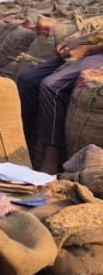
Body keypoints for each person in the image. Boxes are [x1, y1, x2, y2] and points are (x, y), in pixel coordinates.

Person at [17, 34, 103, 173]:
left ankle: (51, 159)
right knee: (27, 80)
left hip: (98, 53)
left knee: (52, 86)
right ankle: (24, 149)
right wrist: (80, 42)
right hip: (96, 50)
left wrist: (90, 49)